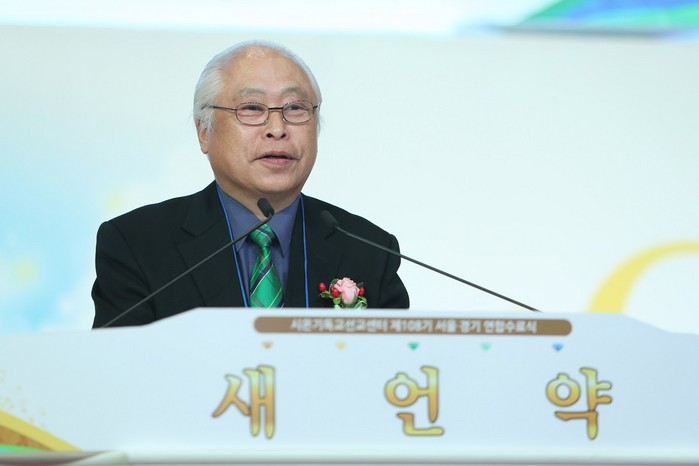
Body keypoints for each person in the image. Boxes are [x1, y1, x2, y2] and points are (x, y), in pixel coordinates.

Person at [92, 40, 409, 328]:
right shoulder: (137, 244)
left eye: (295, 109)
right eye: (252, 108)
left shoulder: (369, 249)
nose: (277, 129)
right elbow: (117, 366)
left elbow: (396, 367)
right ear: (204, 131)